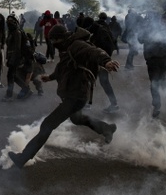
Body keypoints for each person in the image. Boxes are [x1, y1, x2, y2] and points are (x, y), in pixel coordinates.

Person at [8, 24, 119, 169]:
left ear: (60, 38)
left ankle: (22, 158)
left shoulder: (77, 45)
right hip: (75, 93)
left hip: (76, 95)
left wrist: (106, 61)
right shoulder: (67, 48)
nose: (53, 44)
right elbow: (63, 67)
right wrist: (51, 77)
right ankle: (106, 129)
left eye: (54, 41)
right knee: (77, 118)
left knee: (47, 125)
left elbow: (94, 51)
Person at [138, 12, 166, 118]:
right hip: (163, 58)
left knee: (154, 83)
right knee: (163, 78)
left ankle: (157, 107)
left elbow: (140, 40)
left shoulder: (148, 29)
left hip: (154, 59)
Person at [85, 13, 119, 113]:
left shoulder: (101, 32)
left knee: (99, 81)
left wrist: (104, 61)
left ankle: (113, 104)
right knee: (93, 80)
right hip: (100, 60)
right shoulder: (100, 30)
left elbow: (109, 47)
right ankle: (88, 103)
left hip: (101, 62)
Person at [2, 14, 34, 101]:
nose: (9, 23)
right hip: (12, 57)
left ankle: (9, 95)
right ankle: (26, 89)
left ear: (16, 22)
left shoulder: (17, 32)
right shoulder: (11, 32)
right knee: (13, 76)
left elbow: (17, 48)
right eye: (8, 21)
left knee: (10, 76)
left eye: (11, 21)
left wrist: (13, 59)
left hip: (16, 58)